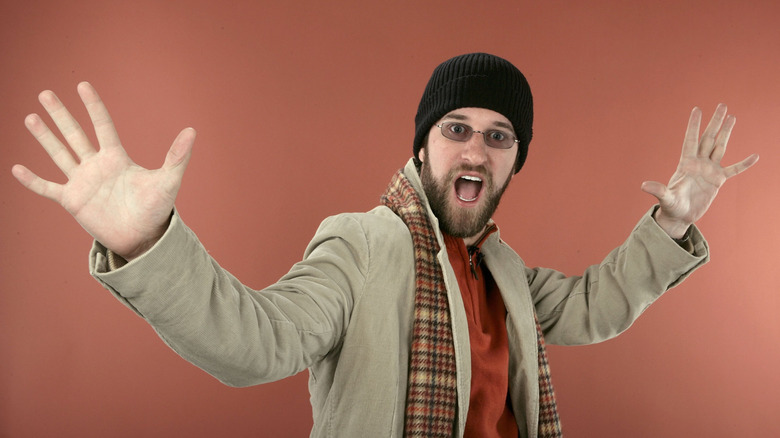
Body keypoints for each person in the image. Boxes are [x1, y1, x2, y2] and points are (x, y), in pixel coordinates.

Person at [11, 53, 758, 438]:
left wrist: (670, 223)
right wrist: (149, 241)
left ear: (513, 162)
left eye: (499, 137)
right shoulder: (362, 243)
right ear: (424, 147)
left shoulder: (502, 266)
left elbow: (596, 306)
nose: (476, 149)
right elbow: (259, 342)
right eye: (456, 129)